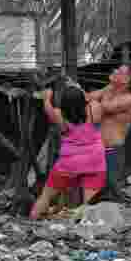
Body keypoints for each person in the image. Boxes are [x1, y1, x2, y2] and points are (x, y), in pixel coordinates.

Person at [30, 83, 105, 219]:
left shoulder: (59, 115)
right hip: (95, 160)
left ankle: (32, 221)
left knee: (45, 197)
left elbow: (48, 109)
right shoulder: (95, 109)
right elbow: (90, 98)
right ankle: (81, 227)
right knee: (87, 206)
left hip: (70, 162)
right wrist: (80, 89)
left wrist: (47, 98)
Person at [86, 65, 131, 198]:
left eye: (120, 72)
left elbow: (106, 107)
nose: (115, 72)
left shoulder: (129, 99)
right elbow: (89, 97)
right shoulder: (109, 90)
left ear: (127, 80)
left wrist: (109, 88)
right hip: (98, 147)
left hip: (113, 149)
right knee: (95, 189)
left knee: (112, 187)